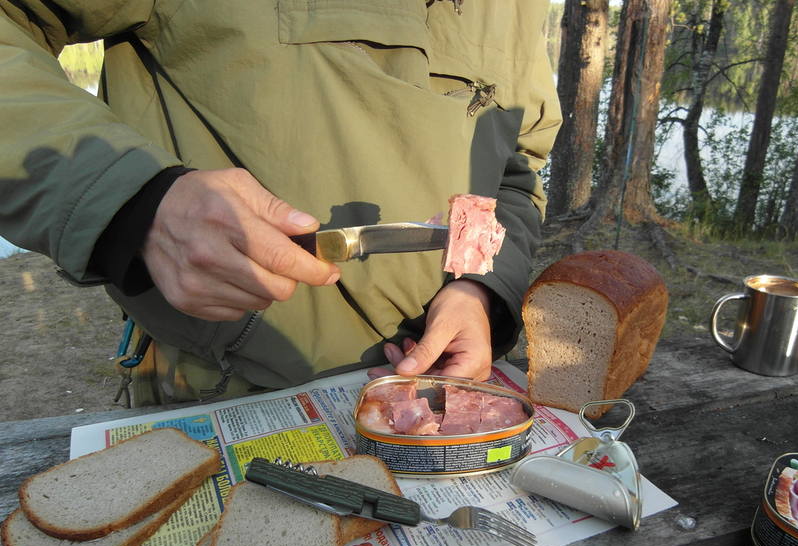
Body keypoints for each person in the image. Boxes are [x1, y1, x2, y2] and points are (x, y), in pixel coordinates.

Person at [0, 1, 561, 405]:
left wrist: (479, 290)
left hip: (438, 392)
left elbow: (513, 169)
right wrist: (131, 201)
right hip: (223, 392)